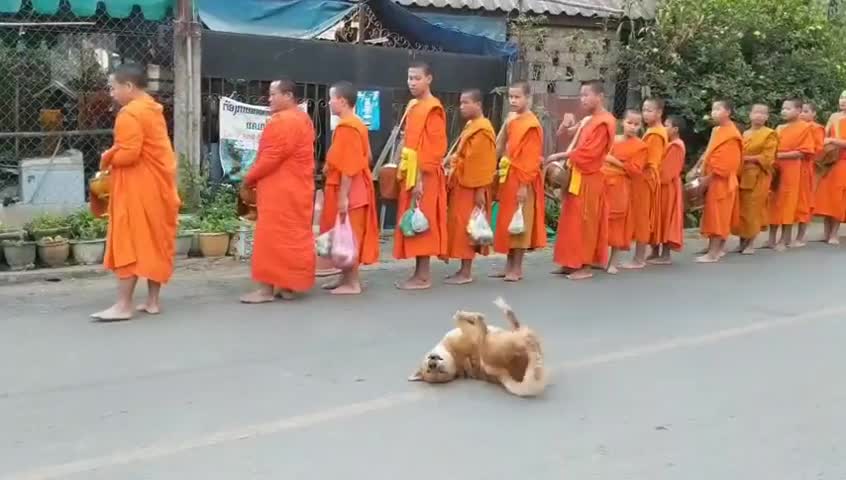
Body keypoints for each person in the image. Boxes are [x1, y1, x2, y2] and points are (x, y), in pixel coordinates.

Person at [90, 64, 181, 321]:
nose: (110, 93)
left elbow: (129, 154)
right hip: (159, 185)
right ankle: (152, 301)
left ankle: (123, 305)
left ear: (128, 87)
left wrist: (106, 157)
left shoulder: (130, 114)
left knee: (129, 239)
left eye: (113, 87)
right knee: (154, 239)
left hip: (138, 187)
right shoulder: (152, 107)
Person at [240, 79, 317, 303]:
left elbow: (271, 158)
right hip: (297, 187)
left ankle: (266, 290)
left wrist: (249, 178)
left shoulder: (283, 121)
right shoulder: (302, 118)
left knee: (271, 237)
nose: (269, 98)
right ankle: (288, 285)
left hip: (279, 189)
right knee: (293, 235)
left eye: (274, 94)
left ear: (289, 95)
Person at [547, 80, 615, 280]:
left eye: (586, 95)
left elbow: (589, 153)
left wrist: (559, 157)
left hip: (589, 178)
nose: (582, 99)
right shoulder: (588, 120)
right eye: (581, 95)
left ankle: (584, 265)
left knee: (585, 222)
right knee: (570, 222)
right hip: (577, 175)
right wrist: (566, 124)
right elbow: (567, 135)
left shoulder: (604, 121)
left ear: (600, 96)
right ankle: (570, 262)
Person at [318, 81, 380, 295]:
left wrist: (343, 197)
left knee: (350, 235)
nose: (329, 102)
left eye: (331, 98)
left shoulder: (348, 127)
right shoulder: (356, 124)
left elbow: (349, 167)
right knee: (343, 233)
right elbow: (367, 157)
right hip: (352, 186)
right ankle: (344, 277)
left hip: (350, 189)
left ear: (342, 101)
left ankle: (353, 283)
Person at [394, 61, 449, 290]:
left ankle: (424, 276)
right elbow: (409, 140)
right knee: (412, 219)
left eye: (417, 78)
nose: (412, 83)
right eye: (409, 78)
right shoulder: (414, 105)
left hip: (424, 175)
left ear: (429, 79)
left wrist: (417, 179)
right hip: (412, 171)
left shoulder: (433, 108)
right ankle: (418, 272)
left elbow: (434, 148)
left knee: (421, 221)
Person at [492, 81, 546, 281]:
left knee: (521, 221)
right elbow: (500, 143)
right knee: (508, 221)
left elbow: (531, 157)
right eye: (511, 97)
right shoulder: (511, 119)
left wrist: (523, 185)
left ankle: (517, 268)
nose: (513, 101)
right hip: (509, 175)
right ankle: (508, 265)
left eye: (517, 97)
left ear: (528, 98)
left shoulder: (532, 124)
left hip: (524, 177)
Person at [445, 88, 497, 284]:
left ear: (478, 104)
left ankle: (466, 272)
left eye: (466, 102)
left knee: (468, 228)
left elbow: (481, 163)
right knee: (460, 226)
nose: (462, 107)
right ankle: (462, 269)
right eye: (460, 103)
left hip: (473, 186)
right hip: (462, 183)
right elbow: (466, 156)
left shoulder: (483, 129)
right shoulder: (472, 126)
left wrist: (480, 190)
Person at [695, 99, 743, 263]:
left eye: (718, 109)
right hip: (711, 177)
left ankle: (714, 253)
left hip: (721, 180)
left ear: (728, 112)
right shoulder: (717, 130)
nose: (713, 112)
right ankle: (716, 248)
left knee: (718, 215)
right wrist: (697, 167)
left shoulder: (732, 134)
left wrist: (708, 179)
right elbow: (708, 152)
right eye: (712, 109)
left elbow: (728, 164)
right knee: (712, 214)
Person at [622, 97, 667, 269]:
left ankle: (639, 258)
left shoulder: (655, 134)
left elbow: (650, 162)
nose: (645, 114)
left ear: (659, 113)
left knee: (641, 217)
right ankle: (642, 255)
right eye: (644, 110)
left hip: (645, 178)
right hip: (644, 177)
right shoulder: (653, 131)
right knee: (641, 216)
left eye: (649, 110)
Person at [602, 109, 647, 274]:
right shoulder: (613, 140)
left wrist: (614, 161)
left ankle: (613, 261)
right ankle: (597, 258)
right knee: (600, 220)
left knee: (617, 223)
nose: (632, 127)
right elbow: (601, 158)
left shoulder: (641, 146)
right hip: (604, 183)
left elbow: (635, 170)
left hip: (621, 187)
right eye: (630, 123)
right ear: (623, 122)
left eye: (636, 124)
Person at [767, 99, 815, 251]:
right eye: (783, 108)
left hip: (793, 169)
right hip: (777, 168)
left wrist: (780, 155)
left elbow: (804, 151)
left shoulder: (806, 128)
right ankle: (771, 238)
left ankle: (784, 238)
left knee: (788, 201)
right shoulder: (779, 128)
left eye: (788, 108)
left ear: (799, 111)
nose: (784, 111)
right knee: (774, 201)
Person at [731, 104, 778, 255]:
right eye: (756, 112)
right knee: (741, 210)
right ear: (750, 115)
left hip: (759, 176)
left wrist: (747, 158)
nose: (759, 116)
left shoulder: (770, 134)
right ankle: (741, 241)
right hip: (742, 175)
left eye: (763, 113)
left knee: (753, 210)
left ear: (767, 117)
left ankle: (750, 243)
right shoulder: (744, 134)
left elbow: (768, 158)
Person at [651, 114, 687, 264]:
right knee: (658, 217)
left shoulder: (676, 146)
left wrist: (654, 176)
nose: (664, 128)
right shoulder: (668, 143)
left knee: (667, 218)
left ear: (675, 129)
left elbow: (667, 172)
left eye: (667, 125)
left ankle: (665, 255)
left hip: (668, 188)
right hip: (662, 186)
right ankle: (655, 252)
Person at [813, 90, 846, 244]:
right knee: (827, 196)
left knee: (839, 198)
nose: (843, 101)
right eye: (841, 97)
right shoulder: (833, 117)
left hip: (844, 162)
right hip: (830, 162)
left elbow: (831, 139)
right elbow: (824, 136)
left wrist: (832, 140)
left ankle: (834, 233)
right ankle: (826, 233)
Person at [794, 102, 825, 246]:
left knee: (804, 201)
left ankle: (800, 237)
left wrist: (804, 151)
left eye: (806, 111)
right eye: (801, 111)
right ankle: (785, 236)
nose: (802, 114)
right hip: (792, 167)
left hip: (807, 166)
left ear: (814, 114)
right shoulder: (793, 127)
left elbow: (818, 149)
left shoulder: (816, 128)